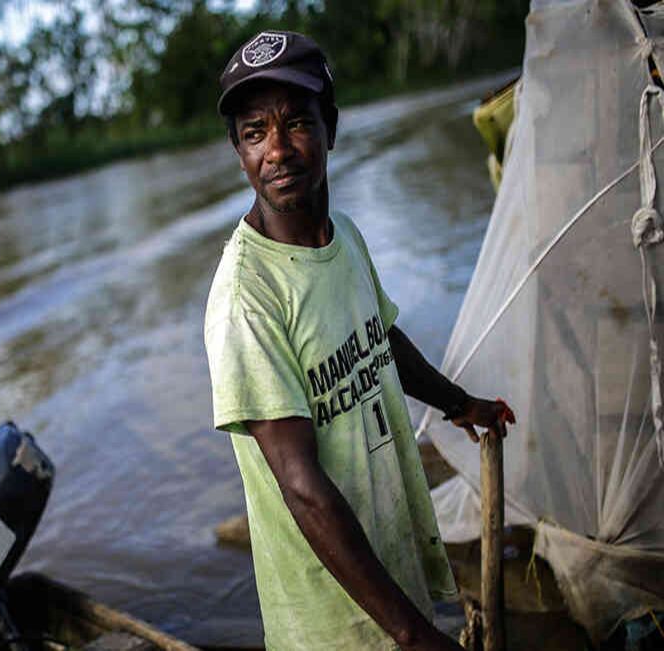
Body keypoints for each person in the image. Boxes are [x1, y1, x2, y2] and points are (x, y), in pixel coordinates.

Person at [203, 31, 516, 651]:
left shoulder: (341, 235)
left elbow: (380, 338)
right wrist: (412, 633)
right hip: (329, 614)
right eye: (254, 133)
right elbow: (300, 482)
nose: (277, 151)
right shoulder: (248, 296)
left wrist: (459, 404)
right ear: (239, 152)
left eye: (295, 123)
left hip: (385, 561)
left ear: (332, 128)